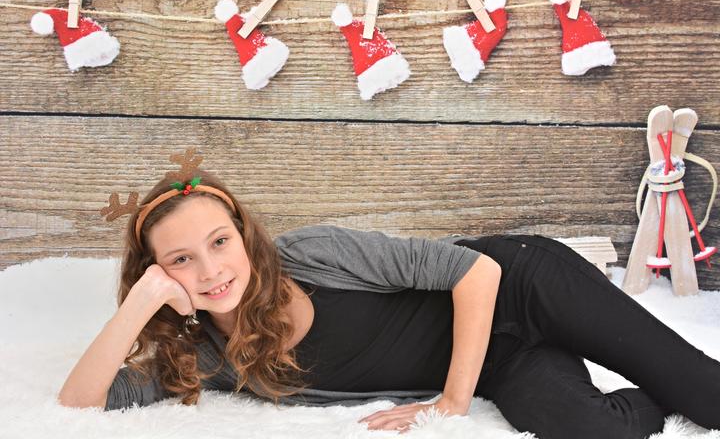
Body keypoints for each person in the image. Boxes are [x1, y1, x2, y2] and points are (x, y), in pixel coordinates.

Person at [58, 159, 720, 439]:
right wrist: (141, 302)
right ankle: (660, 390)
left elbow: (476, 273)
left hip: (522, 287)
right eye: (180, 260)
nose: (210, 270)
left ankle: (671, 374)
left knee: (708, 394)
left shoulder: (312, 254)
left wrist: (450, 405)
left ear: (243, 234)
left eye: (219, 242)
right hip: (500, 363)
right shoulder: (207, 355)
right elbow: (78, 405)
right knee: (593, 428)